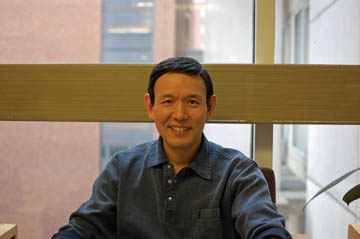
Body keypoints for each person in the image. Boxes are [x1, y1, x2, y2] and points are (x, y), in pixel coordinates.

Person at [52, 57, 292, 239]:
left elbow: (265, 226)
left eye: (192, 102)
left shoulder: (238, 172)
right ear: (151, 106)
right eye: (168, 101)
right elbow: (84, 228)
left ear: (210, 107)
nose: (180, 115)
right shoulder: (122, 168)